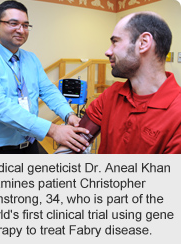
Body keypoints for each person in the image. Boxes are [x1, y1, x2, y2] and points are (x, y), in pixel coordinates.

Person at [0, 0, 89, 154]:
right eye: (13, 23)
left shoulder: (31, 58)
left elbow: (48, 90)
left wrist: (69, 114)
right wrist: (52, 130)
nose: (21, 30)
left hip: (30, 145)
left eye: (25, 25)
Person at [56, 11, 181, 154]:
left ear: (143, 43)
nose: (107, 52)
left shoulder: (177, 113)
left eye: (115, 42)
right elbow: (75, 143)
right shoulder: (111, 94)